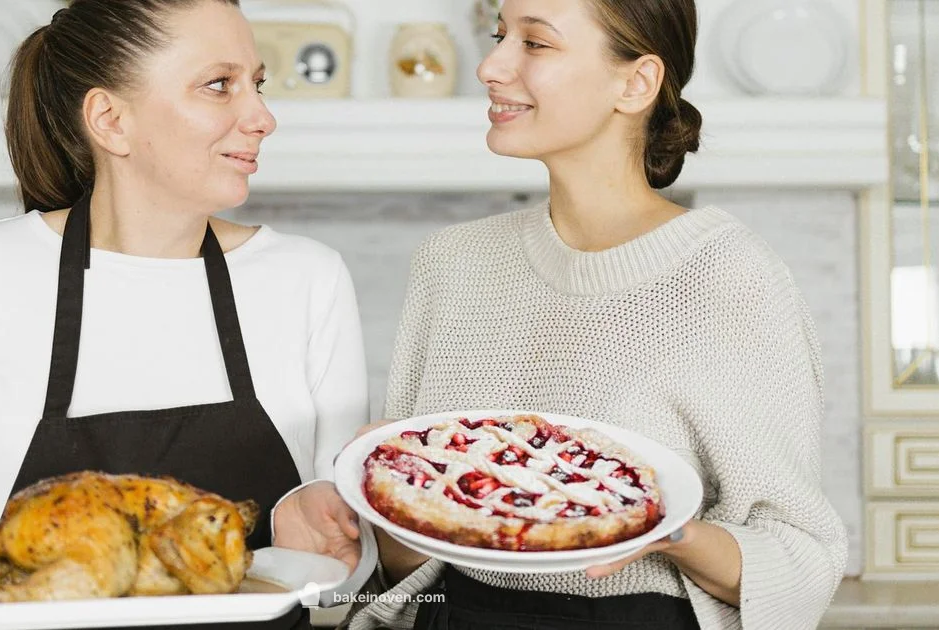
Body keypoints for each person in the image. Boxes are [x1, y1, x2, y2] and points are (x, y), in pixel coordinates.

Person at [0, 1, 369, 628]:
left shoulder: (309, 280)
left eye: (257, 85)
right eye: (219, 85)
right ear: (110, 120)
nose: (263, 117)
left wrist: (327, 529)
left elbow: (338, 576)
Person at [345, 1, 847, 629]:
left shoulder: (728, 275)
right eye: (501, 36)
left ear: (635, 83)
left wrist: (672, 535)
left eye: (536, 44)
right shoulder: (451, 263)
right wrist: (386, 487)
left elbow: (799, 555)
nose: (490, 66)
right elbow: (410, 560)